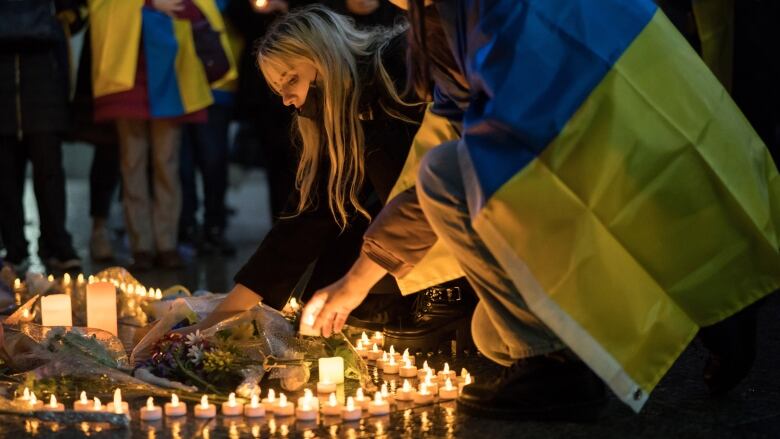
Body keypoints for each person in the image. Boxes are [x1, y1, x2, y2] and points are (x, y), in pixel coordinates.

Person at [300, 0, 780, 421]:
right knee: (492, 337)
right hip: (643, 145)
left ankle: (556, 372)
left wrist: (360, 278)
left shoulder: (477, 13)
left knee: (446, 176)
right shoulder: (442, 22)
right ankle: (710, 304)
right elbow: (459, 129)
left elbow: (470, 154)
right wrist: (356, 281)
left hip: (599, 144)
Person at [185, 6, 477, 350]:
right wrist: (209, 328)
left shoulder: (402, 65)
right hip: (419, 225)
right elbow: (306, 219)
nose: (287, 99)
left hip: (465, 213)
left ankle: (451, 290)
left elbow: (433, 176)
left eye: (292, 79)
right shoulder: (342, 113)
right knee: (337, 261)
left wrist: (356, 283)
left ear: (323, 56)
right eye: (279, 90)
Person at [88, 0, 235, 271]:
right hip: (127, 74)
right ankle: (140, 246)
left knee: (166, 164)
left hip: (172, 72)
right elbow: (98, 8)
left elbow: (200, 10)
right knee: (132, 164)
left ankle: (166, 244)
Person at [0, 0, 82, 274]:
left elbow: (77, 16)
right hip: (7, 85)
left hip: (43, 83)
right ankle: (14, 248)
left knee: (48, 173)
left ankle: (55, 244)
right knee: (6, 175)